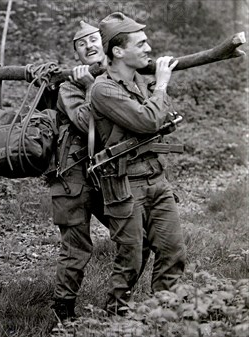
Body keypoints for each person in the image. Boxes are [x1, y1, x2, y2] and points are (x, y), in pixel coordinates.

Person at [90, 12, 186, 316]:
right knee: (131, 257)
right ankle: (116, 317)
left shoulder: (140, 82)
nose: (148, 48)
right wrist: (161, 86)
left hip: (156, 178)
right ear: (118, 51)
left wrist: (155, 91)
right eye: (141, 43)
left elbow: (162, 120)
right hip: (125, 184)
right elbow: (147, 121)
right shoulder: (103, 89)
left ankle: (163, 313)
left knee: (173, 251)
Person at [47, 21, 110, 321]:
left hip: (110, 173)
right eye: (82, 44)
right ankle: (64, 313)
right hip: (73, 175)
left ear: (106, 42)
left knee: (138, 233)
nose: (90, 46)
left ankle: (119, 304)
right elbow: (85, 124)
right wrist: (89, 87)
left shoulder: (117, 76)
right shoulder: (68, 86)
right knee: (76, 245)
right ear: (76, 52)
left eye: (94, 39)